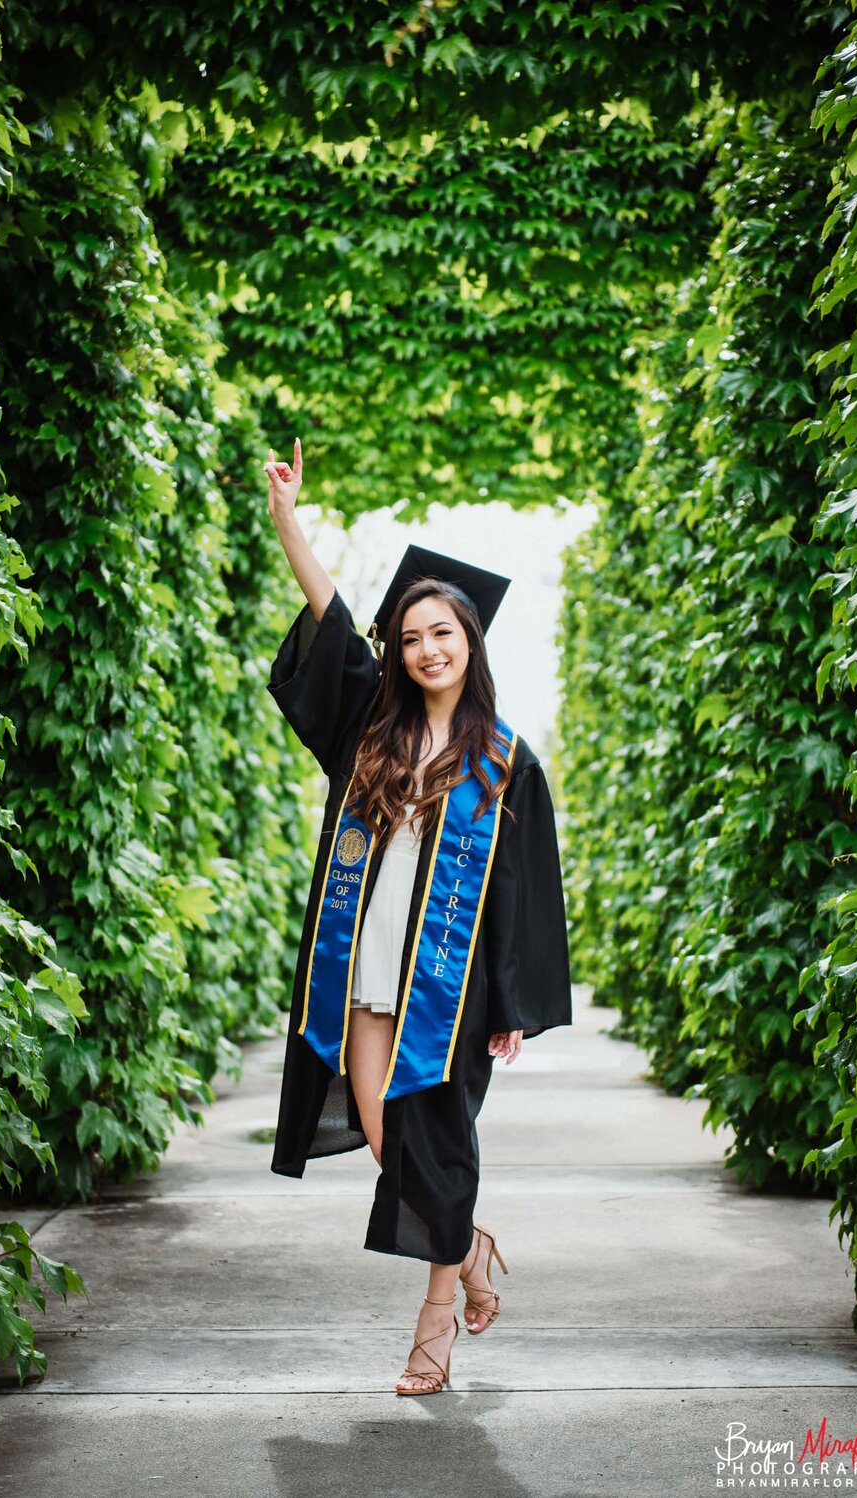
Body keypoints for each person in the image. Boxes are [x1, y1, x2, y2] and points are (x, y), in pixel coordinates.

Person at [262, 437, 572, 1395]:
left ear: (470, 641)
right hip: (363, 973)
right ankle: (473, 1250)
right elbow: (333, 621)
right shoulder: (372, 728)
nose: (427, 648)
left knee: (436, 1145)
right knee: (385, 1137)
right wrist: (288, 521)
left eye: (444, 632)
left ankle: (431, 1333)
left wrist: (516, 999)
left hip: (455, 992)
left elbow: (524, 886)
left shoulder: (505, 758)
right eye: (412, 636)